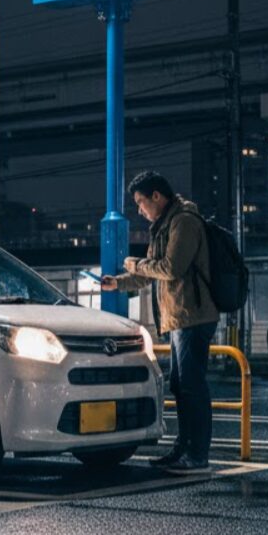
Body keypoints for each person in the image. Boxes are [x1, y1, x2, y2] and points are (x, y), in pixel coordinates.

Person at [102, 171, 218, 473]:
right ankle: (183, 450)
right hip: (178, 317)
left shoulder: (184, 221)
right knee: (181, 386)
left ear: (157, 196)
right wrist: (119, 282)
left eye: (141, 202)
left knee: (192, 386)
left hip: (193, 316)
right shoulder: (164, 224)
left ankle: (197, 454)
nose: (140, 210)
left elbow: (171, 267)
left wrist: (134, 263)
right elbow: (148, 274)